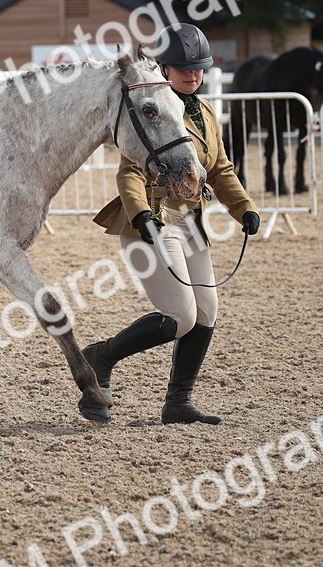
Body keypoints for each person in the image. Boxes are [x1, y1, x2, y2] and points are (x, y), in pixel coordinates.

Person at [86, 23, 260, 425]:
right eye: (183, 68)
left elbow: (219, 168)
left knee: (206, 312)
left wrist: (244, 207)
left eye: (198, 68)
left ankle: (177, 402)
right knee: (180, 316)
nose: (192, 75)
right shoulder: (152, 109)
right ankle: (101, 356)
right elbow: (129, 172)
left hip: (191, 225)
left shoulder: (206, 112)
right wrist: (141, 213)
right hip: (152, 223)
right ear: (163, 68)